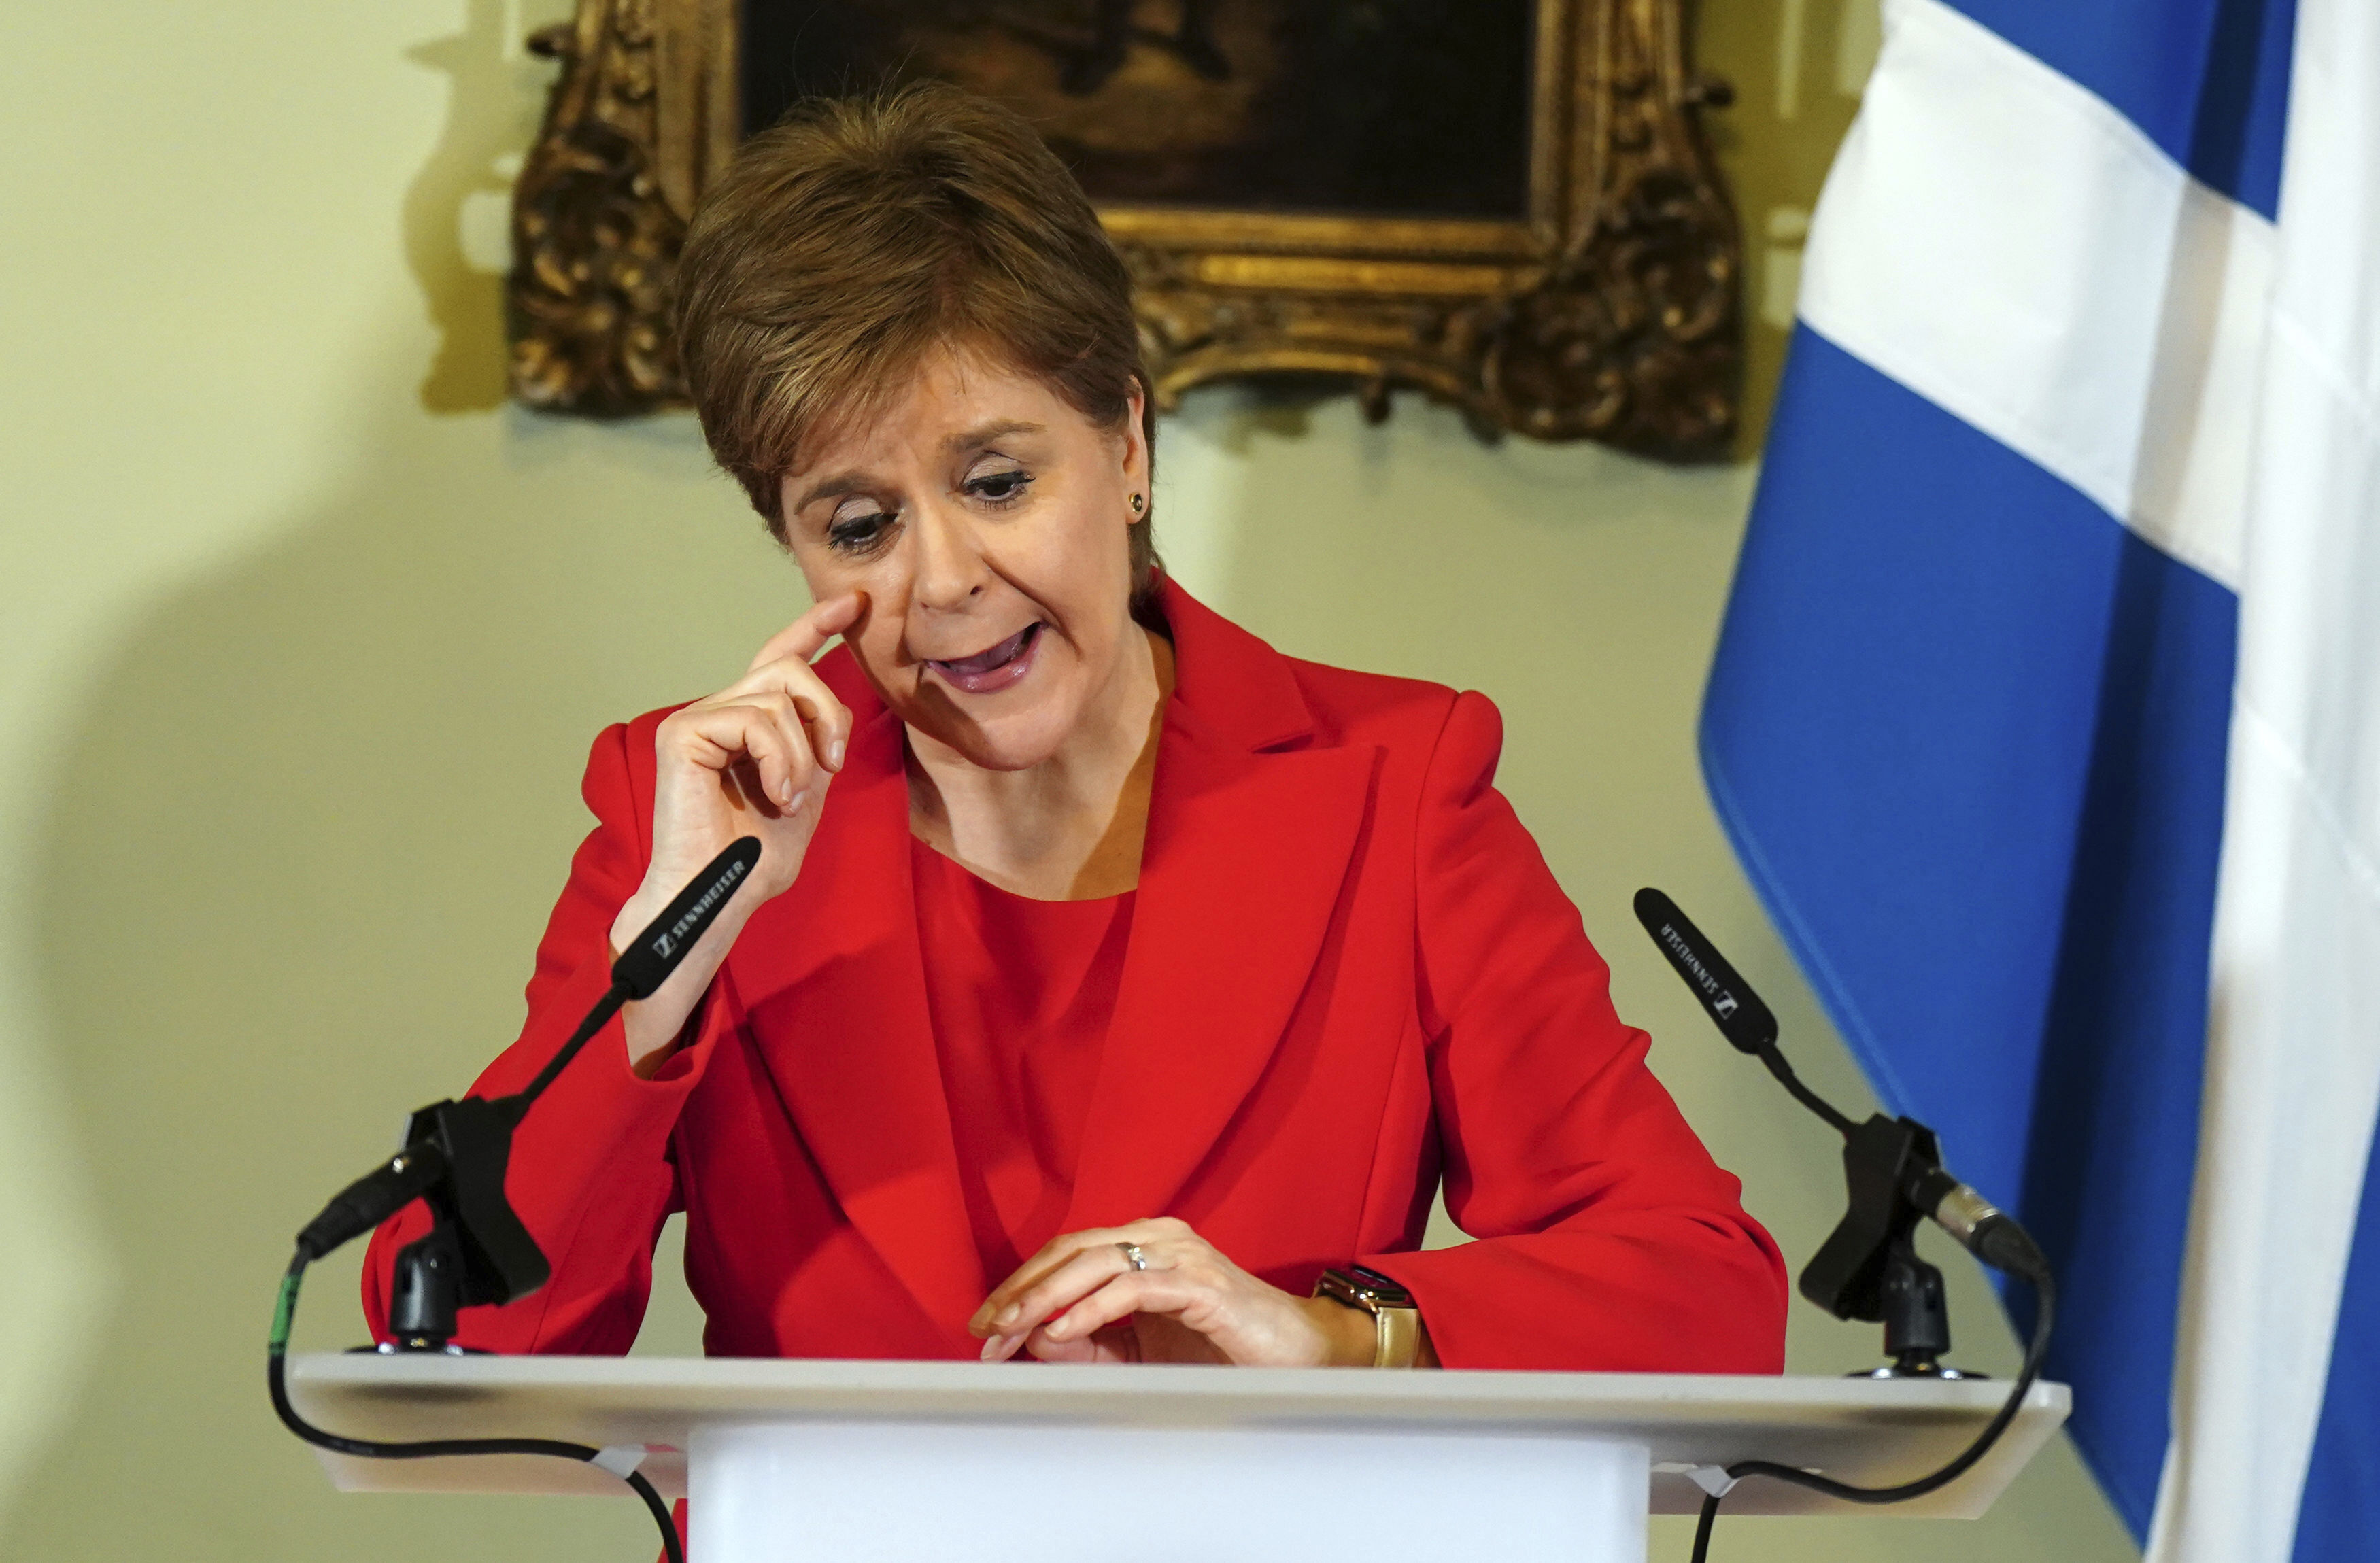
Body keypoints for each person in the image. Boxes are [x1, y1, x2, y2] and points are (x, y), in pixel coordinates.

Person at [364, 82, 1786, 1373]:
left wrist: (1333, 1336)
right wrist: (662, 974)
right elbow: (458, 1335)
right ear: (790, 545)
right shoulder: (686, 810)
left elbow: (1704, 1296)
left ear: (1124, 445)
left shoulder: (1396, 786)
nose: (943, 580)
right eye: (858, 524)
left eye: (995, 481)